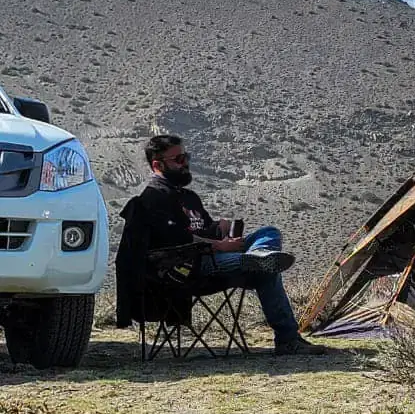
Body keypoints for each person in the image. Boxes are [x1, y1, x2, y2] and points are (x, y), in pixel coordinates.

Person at [123, 134, 324, 356]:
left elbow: (202, 229)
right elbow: (177, 240)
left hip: (216, 258)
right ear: (157, 165)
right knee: (266, 270)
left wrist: (219, 229)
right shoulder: (154, 198)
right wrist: (220, 246)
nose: (186, 163)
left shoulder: (189, 197)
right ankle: (287, 338)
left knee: (269, 233)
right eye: (178, 159)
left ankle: (259, 256)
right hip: (190, 268)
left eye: (186, 157)